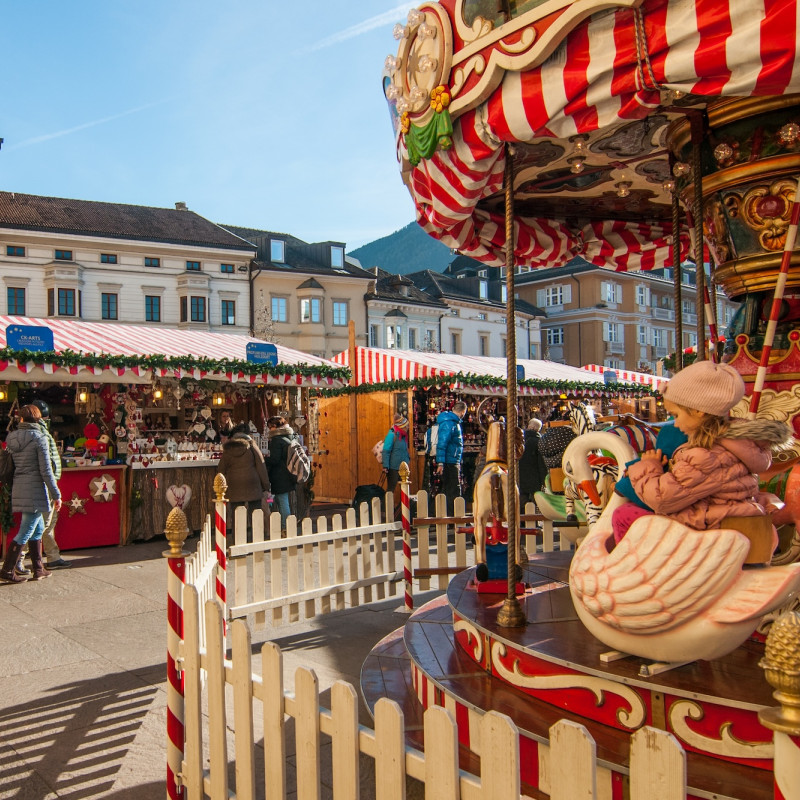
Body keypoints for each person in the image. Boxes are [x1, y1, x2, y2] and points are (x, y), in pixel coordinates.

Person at [611, 360, 791, 543]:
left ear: (698, 411)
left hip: (708, 528)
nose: (676, 424)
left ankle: (639, 568)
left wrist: (647, 466)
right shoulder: (733, 446)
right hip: (719, 519)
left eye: (676, 415)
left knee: (624, 514)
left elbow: (661, 498)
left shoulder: (707, 454)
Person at [0, 404, 62, 583]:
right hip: (35, 488)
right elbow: (46, 471)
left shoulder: (12, 437)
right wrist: (56, 494)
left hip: (19, 485)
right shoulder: (40, 438)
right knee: (26, 530)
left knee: (39, 528)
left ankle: (38, 568)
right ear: (39, 418)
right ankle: (7, 570)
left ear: (21, 419)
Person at [215, 423, 270, 542]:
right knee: (255, 511)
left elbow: (221, 469)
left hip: (234, 484)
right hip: (252, 483)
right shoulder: (251, 446)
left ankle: (238, 538)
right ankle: (257, 537)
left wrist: (220, 487)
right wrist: (266, 485)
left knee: (237, 513)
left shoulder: (228, 448)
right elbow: (261, 465)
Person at [264, 415, 298, 530]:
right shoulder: (291, 436)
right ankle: (285, 526)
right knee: (282, 500)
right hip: (289, 473)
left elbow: (275, 459)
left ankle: (286, 528)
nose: (269, 430)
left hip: (280, 475)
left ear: (274, 426)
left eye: (270, 427)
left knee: (282, 501)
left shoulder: (277, 440)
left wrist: (263, 459)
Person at [435, 401, 467, 515]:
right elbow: (442, 443)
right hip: (450, 461)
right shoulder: (450, 423)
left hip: (450, 460)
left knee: (449, 488)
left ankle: (449, 514)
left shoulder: (450, 422)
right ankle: (455, 515)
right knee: (453, 489)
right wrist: (441, 463)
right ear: (463, 412)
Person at [518, 418, 547, 508]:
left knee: (522, 498)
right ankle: (534, 520)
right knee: (535, 500)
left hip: (520, 475)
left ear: (529, 426)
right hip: (534, 476)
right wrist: (544, 479)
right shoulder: (538, 442)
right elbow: (541, 463)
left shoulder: (519, 440)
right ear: (537, 429)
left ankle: (522, 520)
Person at [382, 414, 411, 492]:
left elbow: (404, 450)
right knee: (391, 489)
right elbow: (386, 451)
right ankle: (387, 504)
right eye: (406, 426)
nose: (408, 428)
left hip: (403, 467)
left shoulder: (403, 436)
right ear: (402, 426)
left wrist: (408, 459)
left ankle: (403, 504)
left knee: (405, 488)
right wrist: (385, 466)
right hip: (393, 468)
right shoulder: (392, 435)